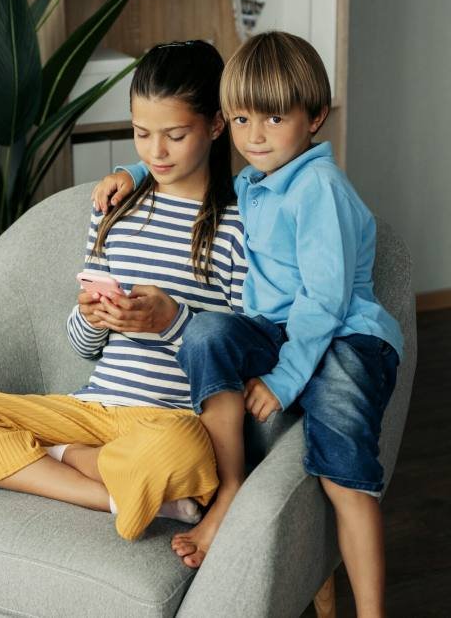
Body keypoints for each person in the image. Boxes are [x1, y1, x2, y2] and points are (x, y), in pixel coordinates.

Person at [0, 40, 249, 544]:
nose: (155, 152)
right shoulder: (115, 209)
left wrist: (172, 322)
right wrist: (91, 318)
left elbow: (245, 350)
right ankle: (108, 492)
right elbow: (82, 346)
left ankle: (50, 462)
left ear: (215, 125)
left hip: (167, 422)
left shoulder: (238, 228)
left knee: (180, 453)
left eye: (175, 135)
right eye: (141, 133)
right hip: (89, 410)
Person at [92, 31, 403, 616]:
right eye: (240, 119)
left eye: (274, 119)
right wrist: (134, 171)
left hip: (344, 337)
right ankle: (229, 488)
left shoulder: (319, 188)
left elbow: (325, 302)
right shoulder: (258, 179)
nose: (254, 136)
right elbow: (178, 144)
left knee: (345, 477)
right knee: (208, 331)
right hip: (277, 329)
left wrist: (285, 380)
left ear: (316, 118)